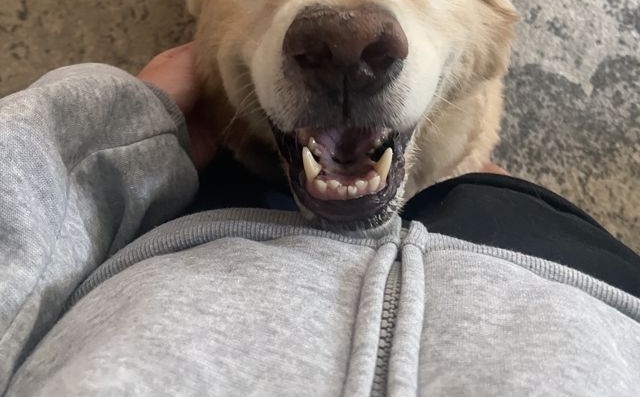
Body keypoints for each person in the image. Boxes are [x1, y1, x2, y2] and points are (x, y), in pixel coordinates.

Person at [1, 45, 639, 397]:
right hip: (559, 283)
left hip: (207, 239)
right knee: (492, 193)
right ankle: (484, 185)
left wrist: (119, 136)